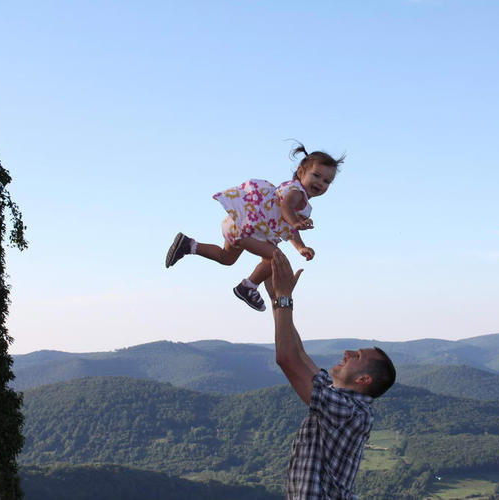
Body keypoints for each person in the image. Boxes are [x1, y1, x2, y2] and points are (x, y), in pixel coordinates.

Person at [268, 249, 396, 500]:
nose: (347, 352)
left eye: (356, 356)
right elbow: (299, 353)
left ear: (363, 380)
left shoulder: (347, 411)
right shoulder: (338, 395)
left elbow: (286, 359)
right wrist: (277, 295)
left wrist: (284, 297)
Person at [164, 142, 344, 312]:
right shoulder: (296, 193)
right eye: (316, 176)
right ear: (300, 172)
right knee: (275, 258)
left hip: (239, 224)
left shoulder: (299, 199)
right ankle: (248, 287)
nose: (320, 183)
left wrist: (300, 246)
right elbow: (286, 207)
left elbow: (290, 230)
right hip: (250, 228)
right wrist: (295, 222)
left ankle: (188, 245)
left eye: (327, 181)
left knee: (226, 258)